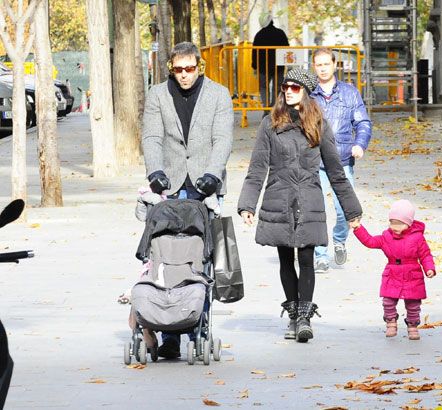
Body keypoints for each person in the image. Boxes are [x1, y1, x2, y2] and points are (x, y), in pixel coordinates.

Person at [237, 68, 362, 343]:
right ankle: (293, 314)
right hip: (278, 197)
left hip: (308, 197)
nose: (290, 91)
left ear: (305, 91)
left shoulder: (318, 123)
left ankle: (305, 317)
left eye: (295, 87)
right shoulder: (270, 124)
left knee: (306, 257)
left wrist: (352, 211)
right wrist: (248, 205)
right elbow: (257, 168)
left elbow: (336, 170)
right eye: (286, 87)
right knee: (285, 259)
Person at [141, 41, 233, 359]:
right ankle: (170, 334)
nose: (184, 75)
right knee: (168, 258)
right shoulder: (157, 95)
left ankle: (196, 325)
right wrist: (154, 171)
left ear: (199, 67)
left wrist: (213, 173)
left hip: (205, 188)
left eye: (189, 69)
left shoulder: (219, 95)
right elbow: (152, 137)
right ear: (171, 68)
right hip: (170, 186)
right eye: (178, 69)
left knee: (200, 260)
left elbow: (222, 138)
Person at [311, 47, 372, 273]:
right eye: (319, 64)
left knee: (343, 209)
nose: (324, 68)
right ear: (314, 67)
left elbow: (363, 122)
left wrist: (360, 144)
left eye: (327, 63)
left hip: (342, 160)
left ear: (334, 65)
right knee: (316, 209)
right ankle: (320, 254)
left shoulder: (349, 92)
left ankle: (339, 239)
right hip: (315, 161)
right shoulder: (309, 94)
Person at [350, 199, 436, 340]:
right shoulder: (386, 237)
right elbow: (370, 241)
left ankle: (412, 326)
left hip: (412, 273)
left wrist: (429, 268)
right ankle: (391, 322)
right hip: (392, 273)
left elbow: (425, 255)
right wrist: (358, 228)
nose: (394, 227)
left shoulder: (418, 238)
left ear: (408, 223)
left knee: (413, 304)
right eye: (392, 222)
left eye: (399, 223)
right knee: (388, 301)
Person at [252, 11, 289, 116]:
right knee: (277, 87)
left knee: (263, 87)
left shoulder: (258, 35)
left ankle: (266, 108)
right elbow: (286, 48)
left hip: (263, 67)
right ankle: (274, 108)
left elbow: (254, 52)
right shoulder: (280, 33)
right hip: (278, 67)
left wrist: (254, 66)